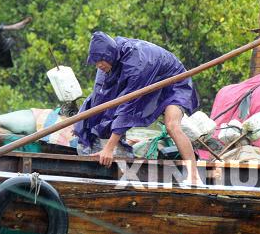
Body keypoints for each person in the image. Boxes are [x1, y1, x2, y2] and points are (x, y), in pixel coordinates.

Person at [74, 31, 202, 183]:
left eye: (101, 60)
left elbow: (128, 107)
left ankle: (194, 176)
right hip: (151, 79)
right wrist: (88, 130)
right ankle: (114, 145)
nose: (99, 65)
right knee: (105, 105)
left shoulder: (137, 65)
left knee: (172, 125)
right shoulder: (106, 61)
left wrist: (109, 148)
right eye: (96, 61)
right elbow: (100, 97)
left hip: (174, 82)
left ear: (109, 55)